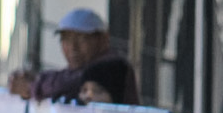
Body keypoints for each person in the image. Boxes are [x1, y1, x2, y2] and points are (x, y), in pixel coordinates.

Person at [8, 7, 139, 104]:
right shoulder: (79, 68)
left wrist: (32, 86)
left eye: (82, 39)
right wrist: (34, 80)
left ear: (103, 39)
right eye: (66, 39)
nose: (73, 47)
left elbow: (67, 83)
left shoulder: (113, 65)